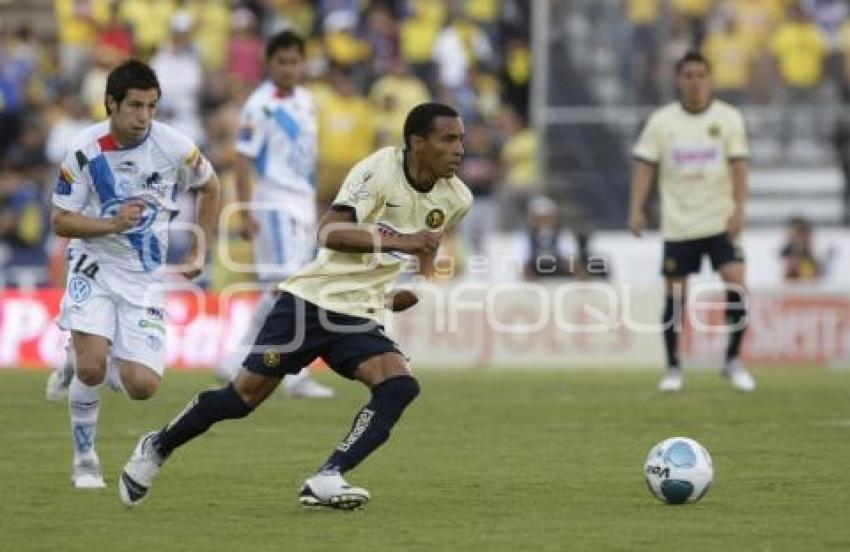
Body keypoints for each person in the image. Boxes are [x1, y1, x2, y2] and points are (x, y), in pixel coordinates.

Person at [118, 102, 471, 509]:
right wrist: (400, 242)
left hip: (359, 312)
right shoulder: (380, 170)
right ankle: (157, 445)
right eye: (449, 139)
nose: (459, 148)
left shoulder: (457, 196)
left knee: (400, 386)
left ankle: (328, 476)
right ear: (417, 143)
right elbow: (330, 231)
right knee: (240, 400)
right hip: (311, 302)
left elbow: (428, 245)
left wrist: (417, 284)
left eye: (460, 139)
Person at [47, 59, 221, 489]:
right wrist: (111, 225)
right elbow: (60, 221)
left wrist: (201, 247)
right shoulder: (84, 151)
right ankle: (85, 457)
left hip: (144, 276)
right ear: (111, 103)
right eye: (136, 106)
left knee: (142, 386)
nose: (144, 117)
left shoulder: (174, 146)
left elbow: (211, 186)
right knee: (91, 369)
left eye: (152, 107)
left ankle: (82, 350)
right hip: (94, 264)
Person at [628, 51, 755, 393]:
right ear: (678, 79)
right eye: (689, 75)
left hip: (719, 219)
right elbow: (645, 166)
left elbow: (739, 166)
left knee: (737, 283)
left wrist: (740, 209)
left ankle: (732, 359)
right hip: (679, 223)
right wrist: (636, 209)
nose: (695, 81)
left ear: (710, 79)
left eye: (701, 74)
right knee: (674, 297)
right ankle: (672, 368)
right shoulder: (662, 121)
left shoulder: (728, 118)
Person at [216, 30, 333, 399]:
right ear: (269, 64)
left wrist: (314, 204)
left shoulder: (307, 101)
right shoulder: (259, 105)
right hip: (273, 205)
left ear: (303, 64)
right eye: (281, 61)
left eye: (294, 61)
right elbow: (242, 159)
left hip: (301, 203)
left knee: (284, 289)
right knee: (292, 288)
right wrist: (247, 211)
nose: (288, 68)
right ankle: (293, 374)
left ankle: (235, 357)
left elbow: (306, 161)